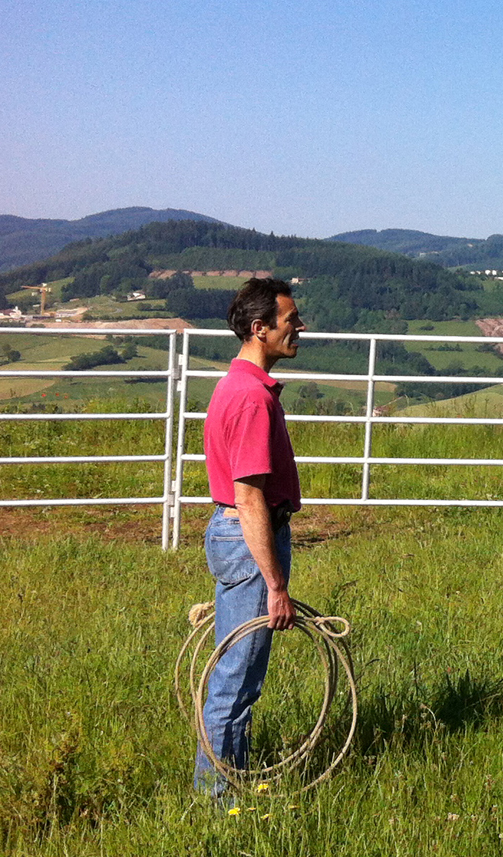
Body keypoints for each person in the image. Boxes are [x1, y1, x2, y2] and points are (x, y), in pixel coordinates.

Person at [194, 277, 306, 795]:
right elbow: (249, 497)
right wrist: (275, 585)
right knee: (236, 680)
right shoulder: (251, 399)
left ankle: (221, 789)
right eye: (290, 319)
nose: (299, 327)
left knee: (236, 673)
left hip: (237, 536)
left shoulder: (238, 387)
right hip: (248, 536)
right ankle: (219, 800)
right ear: (260, 329)